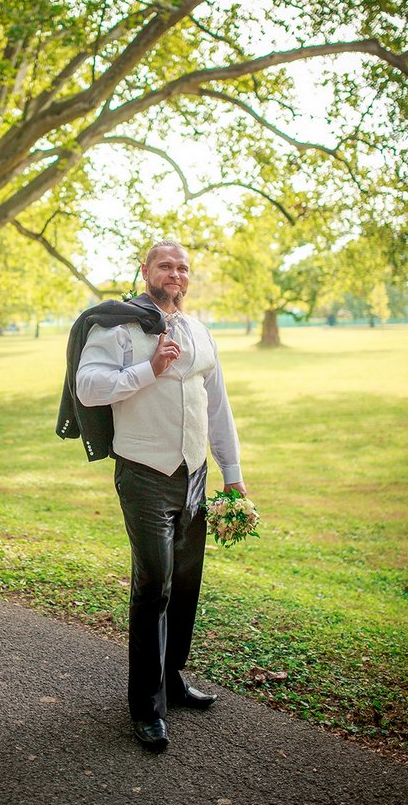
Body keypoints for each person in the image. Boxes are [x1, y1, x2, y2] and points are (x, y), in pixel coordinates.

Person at [75, 240, 246, 750]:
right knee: (154, 585)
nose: (176, 273)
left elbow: (217, 405)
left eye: (183, 267)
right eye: (165, 265)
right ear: (145, 270)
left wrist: (231, 473)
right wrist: (148, 369)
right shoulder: (116, 327)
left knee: (187, 583)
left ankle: (172, 679)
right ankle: (145, 706)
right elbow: (88, 387)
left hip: (193, 474)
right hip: (144, 473)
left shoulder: (197, 330)